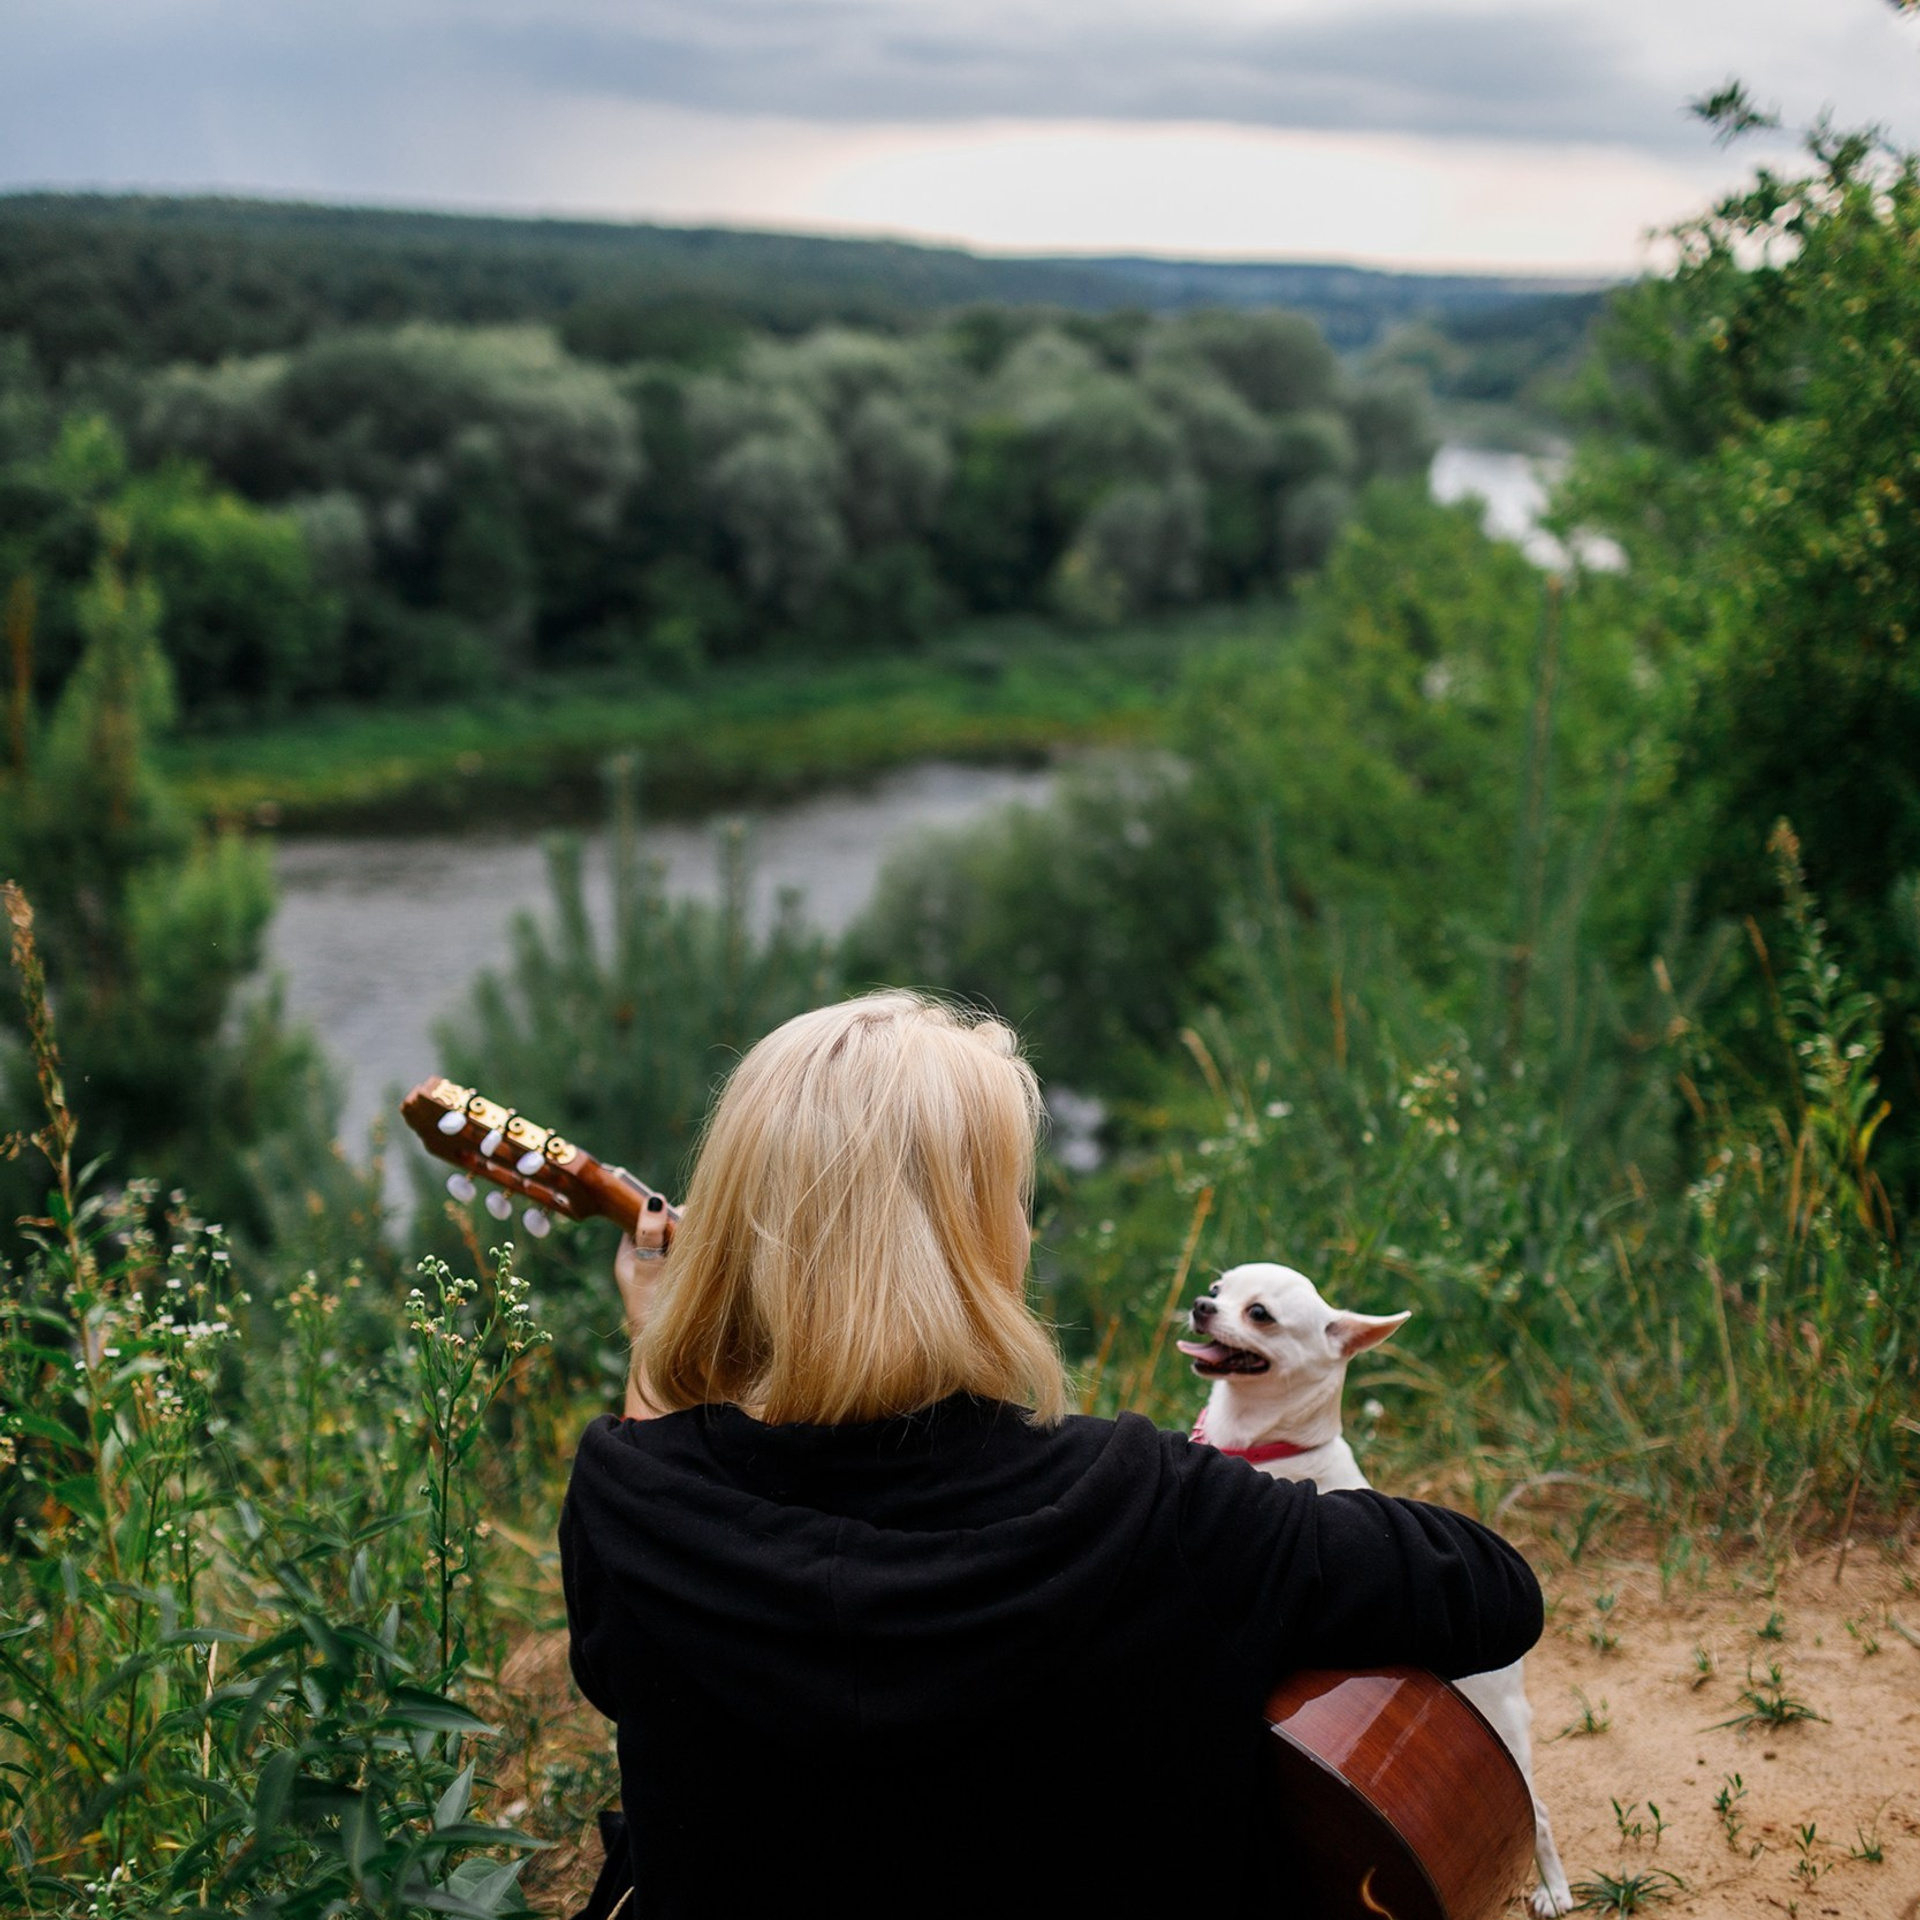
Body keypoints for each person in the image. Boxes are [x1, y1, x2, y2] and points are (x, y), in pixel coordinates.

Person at [560, 992, 1542, 1919]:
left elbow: (634, 1644)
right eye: (1012, 1201)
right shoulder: (1157, 1509)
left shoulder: (626, 1498)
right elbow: (1493, 1593)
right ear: (980, 1248)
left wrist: (664, 1352)